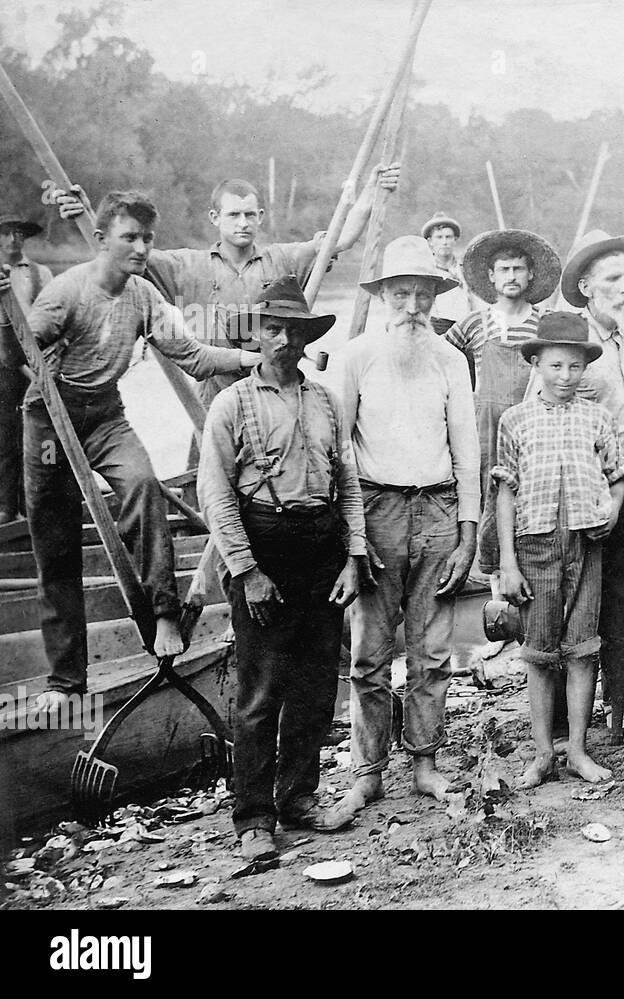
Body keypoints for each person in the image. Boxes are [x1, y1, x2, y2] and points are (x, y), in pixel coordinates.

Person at [0, 191, 260, 715]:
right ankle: (65, 680)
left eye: (147, 239)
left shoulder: (142, 296)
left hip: (105, 415)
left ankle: (164, 613)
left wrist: (249, 356)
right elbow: (16, 355)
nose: (141, 248)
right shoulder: (66, 294)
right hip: (49, 420)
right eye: (129, 238)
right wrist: (8, 318)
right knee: (54, 545)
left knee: (142, 486)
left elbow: (192, 355)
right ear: (100, 241)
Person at [197, 275, 369, 859]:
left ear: (304, 338)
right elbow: (215, 494)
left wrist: (354, 555)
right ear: (257, 334)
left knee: (316, 688)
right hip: (263, 550)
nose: (283, 341)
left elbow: (346, 481)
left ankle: (299, 797)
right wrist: (246, 571)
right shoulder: (232, 402)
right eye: (272, 329)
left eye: (294, 332)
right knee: (261, 690)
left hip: (321, 552)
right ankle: (253, 817)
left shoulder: (324, 399)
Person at [330, 236, 479, 820]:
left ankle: (424, 764)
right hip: (376, 509)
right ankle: (367, 772)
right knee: (369, 651)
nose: (412, 307)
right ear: (382, 297)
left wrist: (469, 532)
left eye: (423, 294)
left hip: (439, 510)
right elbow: (340, 450)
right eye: (401, 294)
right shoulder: (355, 357)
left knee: (432, 649)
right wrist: (353, 536)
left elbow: (467, 450)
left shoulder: (450, 359)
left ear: (436, 297)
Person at [54, 167, 400, 406]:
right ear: (215, 218)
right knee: (211, 492)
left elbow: (340, 240)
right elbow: (121, 252)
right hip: (213, 392)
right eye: (234, 215)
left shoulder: (283, 259)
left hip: (274, 389)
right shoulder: (185, 265)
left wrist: (372, 190)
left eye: (250, 215)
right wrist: (84, 215)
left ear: (261, 216)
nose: (243, 223)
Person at [493, 312, 624, 787]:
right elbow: (505, 491)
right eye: (555, 366)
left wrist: (612, 509)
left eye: (574, 367)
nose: (566, 376)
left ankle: (578, 749)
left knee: (582, 647)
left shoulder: (597, 417)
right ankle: (542, 752)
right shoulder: (515, 420)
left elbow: (616, 475)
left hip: (586, 541)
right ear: (536, 364)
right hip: (536, 542)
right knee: (538, 649)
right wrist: (507, 562)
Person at [557, 230, 624, 740]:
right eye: (613, 278)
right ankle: (561, 722)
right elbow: (546, 417)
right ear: (587, 286)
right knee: (576, 602)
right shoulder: (570, 344)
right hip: (583, 493)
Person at [444, 229, 560, 575]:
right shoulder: (473, 324)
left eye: (519, 269)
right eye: (504, 270)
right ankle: (483, 575)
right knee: (483, 494)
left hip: (532, 427)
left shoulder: (544, 325)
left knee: (530, 496)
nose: (512, 277)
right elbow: (444, 362)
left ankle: (528, 572)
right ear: (492, 277)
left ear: (531, 275)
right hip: (485, 429)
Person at [0, 213, 52, 523]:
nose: (12, 240)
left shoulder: (39, 273)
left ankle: (34, 504)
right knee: (6, 436)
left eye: (18, 234)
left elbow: (50, 316)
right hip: (2, 368)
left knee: (38, 436)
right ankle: (7, 507)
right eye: (6, 234)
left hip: (35, 362)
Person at [423, 212, 474, 322]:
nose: (444, 242)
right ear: (430, 241)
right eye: (439, 237)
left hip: (465, 327)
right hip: (436, 327)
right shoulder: (426, 270)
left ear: (455, 239)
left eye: (448, 237)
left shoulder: (465, 269)